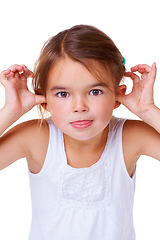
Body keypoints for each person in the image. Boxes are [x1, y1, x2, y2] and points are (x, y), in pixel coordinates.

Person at [0, 24, 159, 240]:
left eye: (95, 91)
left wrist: (148, 111)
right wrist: (10, 111)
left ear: (117, 95)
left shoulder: (130, 137)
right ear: (44, 99)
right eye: (63, 94)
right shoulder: (37, 138)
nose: (79, 106)